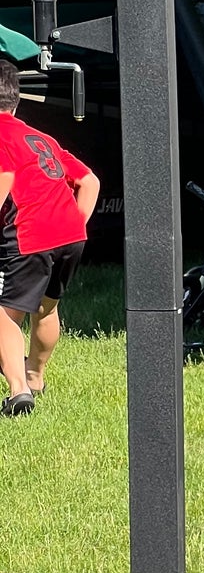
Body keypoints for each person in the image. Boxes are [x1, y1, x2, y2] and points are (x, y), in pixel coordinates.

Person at [0, 57, 100, 417]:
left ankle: (17, 392)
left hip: (29, 234)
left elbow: (4, 178)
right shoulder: (38, 136)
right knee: (47, 306)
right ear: (15, 99)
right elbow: (90, 181)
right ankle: (35, 376)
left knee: (5, 315)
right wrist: (77, 222)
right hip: (70, 234)